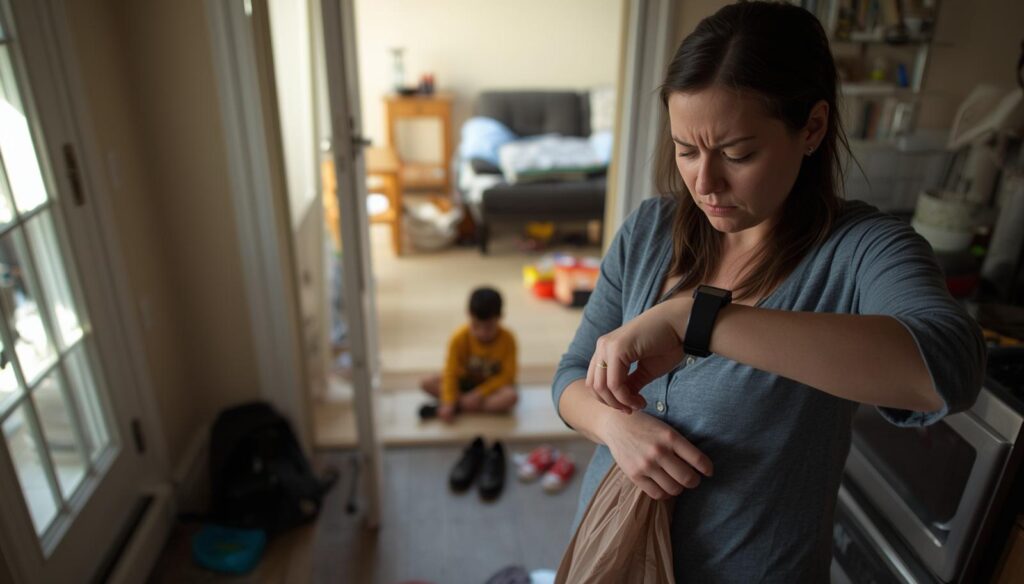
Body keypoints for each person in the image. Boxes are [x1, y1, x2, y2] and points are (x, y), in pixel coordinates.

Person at [551, 2, 985, 581]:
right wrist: (615, 429)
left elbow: (949, 368)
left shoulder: (862, 251)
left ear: (812, 128)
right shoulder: (651, 230)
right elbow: (571, 375)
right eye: (686, 150)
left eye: (737, 153)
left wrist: (697, 320)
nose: (705, 183)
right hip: (615, 554)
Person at [421, 286, 518, 423]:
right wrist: (448, 401)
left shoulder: (508, 339)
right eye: (476, 326)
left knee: (511, 397)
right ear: (468, 315)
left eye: (489, 327)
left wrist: (480, 393)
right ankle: (465, 405)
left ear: (500, 317)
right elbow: (450, 371)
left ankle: (459, 405)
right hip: (464, 383)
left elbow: (508, 375)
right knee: (427, 382)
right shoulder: (459, 337)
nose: (482, 333)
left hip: (490, 389)